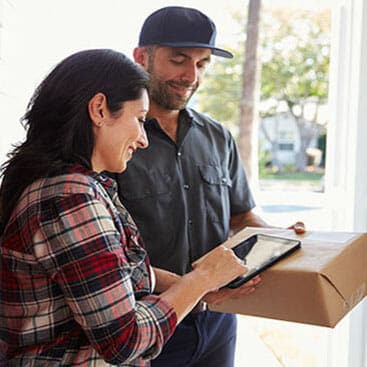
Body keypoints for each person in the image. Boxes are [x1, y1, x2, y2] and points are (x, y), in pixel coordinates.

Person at [0, 49, 250, 366]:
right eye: (140, 120)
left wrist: (203, 287)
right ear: (100, 110)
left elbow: (117, 271)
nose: (143, 139)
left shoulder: (86, 186)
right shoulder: (70, 198)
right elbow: (125, 341)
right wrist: (200, 279)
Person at [111, 6, 306, 367]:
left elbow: (242, 216)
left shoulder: (218, 137)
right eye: (179, 60)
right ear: (141, 57)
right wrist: (194, 286)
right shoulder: (114, 139)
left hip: (218, 320)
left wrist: (286, 242)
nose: (191, 75)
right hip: (150, 321)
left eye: (201, 64)